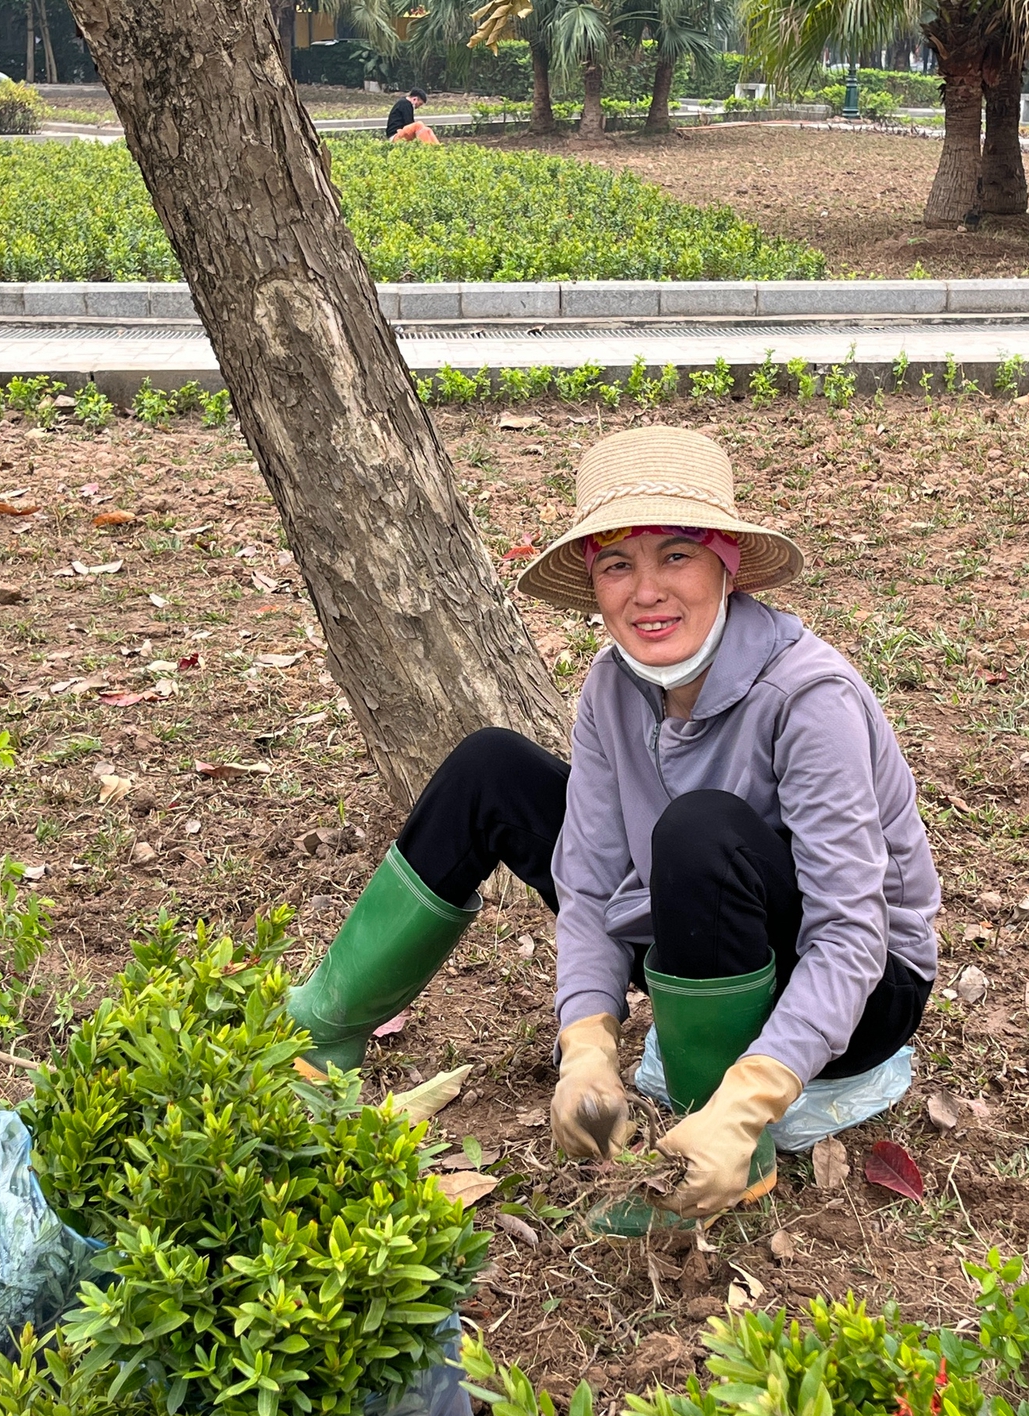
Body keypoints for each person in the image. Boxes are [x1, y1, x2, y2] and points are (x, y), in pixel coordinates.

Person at [287, 427, 940, 1223]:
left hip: (862, 989)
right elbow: (591, 880)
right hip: (691, 931)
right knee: (491, 767)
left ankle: (727, 1144)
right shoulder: (611, 685)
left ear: (726, 567)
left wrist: (748, 1103)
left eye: (676, 556)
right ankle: (320, 1037)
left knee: (698, 832)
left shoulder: (809, 700)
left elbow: (852, 935)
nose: (646, 591)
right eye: (616, 564)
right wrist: (587, 1042)